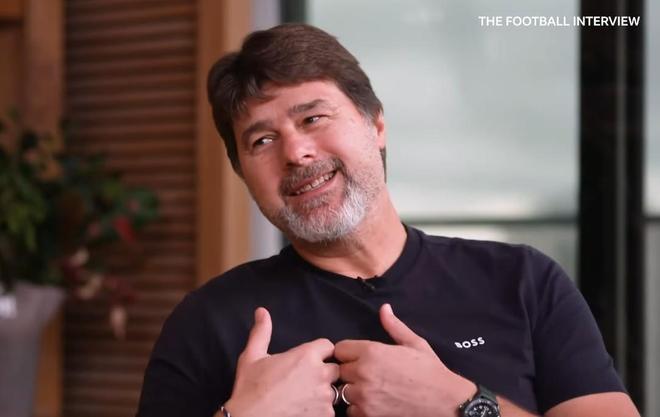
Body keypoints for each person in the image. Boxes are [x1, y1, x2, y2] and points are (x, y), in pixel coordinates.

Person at [136, 23, 640, 417]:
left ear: (375, 124)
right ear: (242, 173)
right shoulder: (207, 323)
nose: (296, 152)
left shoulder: (524, 281)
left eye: (313, 118)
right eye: (262, 140)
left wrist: (463, 405)